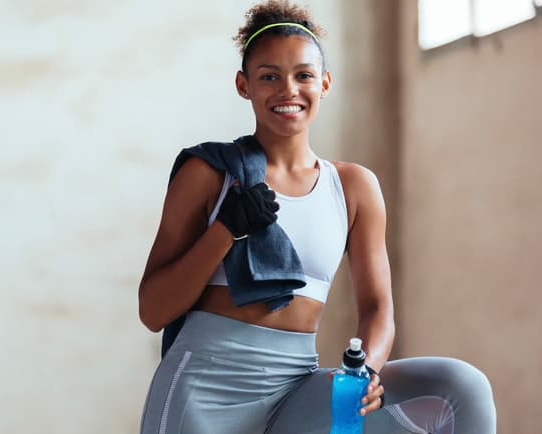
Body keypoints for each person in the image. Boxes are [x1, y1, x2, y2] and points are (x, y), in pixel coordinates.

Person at [137, 1, 497, 433]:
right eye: (269, 76)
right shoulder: (209, 174)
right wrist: (224, 232)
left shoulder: (353, 188)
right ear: (243, 85)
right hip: (203, 393)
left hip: (296, 388)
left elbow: (377, 306)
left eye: (303, 75)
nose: (288, 89)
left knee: (458, 388)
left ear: (324, 83)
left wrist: (367, 370)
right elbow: (153, 310)